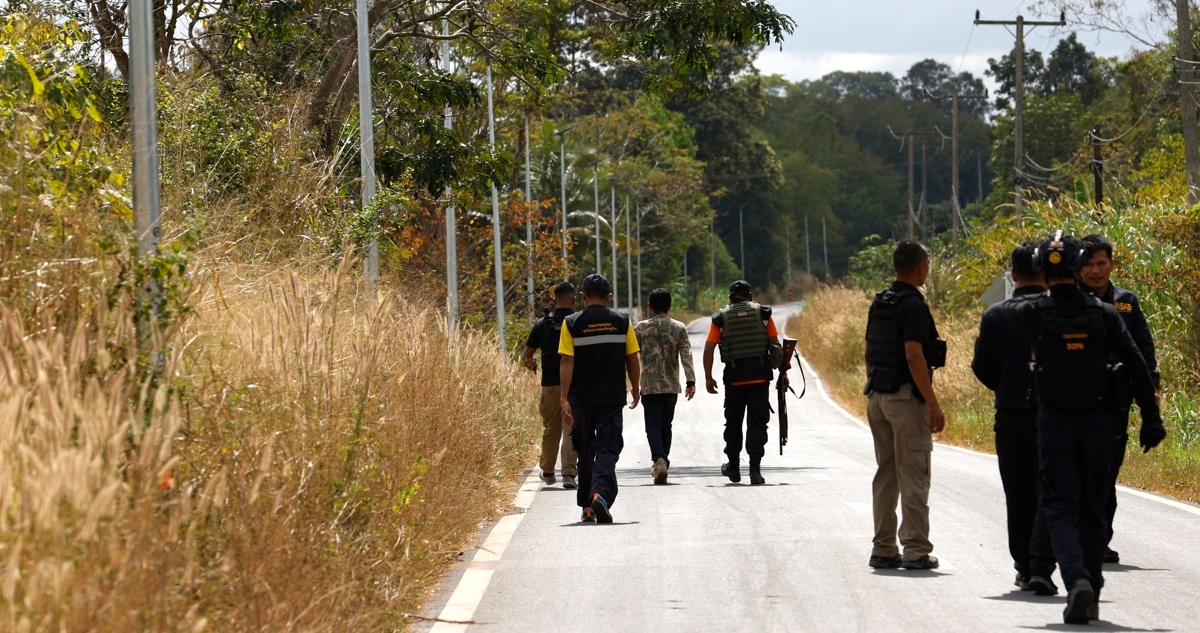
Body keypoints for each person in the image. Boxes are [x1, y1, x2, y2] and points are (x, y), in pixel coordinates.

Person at [1008, 230, 1164, 624]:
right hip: (1100, 421)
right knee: (1094, 504)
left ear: (1041, 272)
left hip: (1055, 421)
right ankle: (1090, 586)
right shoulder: (1107, 314)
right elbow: (1137, 363)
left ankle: (1076, 578)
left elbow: (1009, 313)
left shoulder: (1030, 314)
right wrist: (1151, 417)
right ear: (1079, 268)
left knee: (1059, 505)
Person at [971, 243, 1057, 594]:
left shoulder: (995, 315)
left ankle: (1024, 565)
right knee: (1051, 489)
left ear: (1014, 275)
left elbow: (981, 366)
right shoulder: (1057, 311)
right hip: (1053, 415)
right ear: (1045, 273)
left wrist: (1006, 384)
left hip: (1010, 416)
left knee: (1018, 492)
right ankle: (1043, 564)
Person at [863, 241, 946, 571]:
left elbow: (869, 350)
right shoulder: (913, 305)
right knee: (914, 474)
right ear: (921, 266)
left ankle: (883, 548)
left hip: (877, 396)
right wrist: (932, 402)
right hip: (905, 398)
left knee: (886, 474)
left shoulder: (881, 301)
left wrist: (874, 387)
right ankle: (915, 550)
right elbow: (914, 355)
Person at [1078, 234, 1160, 565]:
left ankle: (1099, 539)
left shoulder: (1125, 302)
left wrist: (1151, 388)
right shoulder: (1068, 300)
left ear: (1111, 264)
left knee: (1108, 472)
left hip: (1116, 402)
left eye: (1101, 263)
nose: (1095, 271)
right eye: (1088, 264)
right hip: (1077, 401)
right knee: (1078, 471)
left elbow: (1143, 347)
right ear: (1078, 267)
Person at [560, 273, 641, 524]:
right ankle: (600, 495)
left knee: (585, 452)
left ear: (583, 297)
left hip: (581, 400)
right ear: (608, 297)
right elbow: (632, 359)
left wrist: (564, 398)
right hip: (611, 398)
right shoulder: (622, 322)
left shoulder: (571, 323)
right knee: (607, 448)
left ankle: (587, 506)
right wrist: (636, 387)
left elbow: (567, 361)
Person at [703, 280, 780, 486]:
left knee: (733, 423)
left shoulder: (721, 317)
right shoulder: (763, 314)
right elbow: (776, 346)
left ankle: (734, 468)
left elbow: (709, 348)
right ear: (749, 295)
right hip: (760, 378)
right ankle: (755, 471)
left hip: (734, 379)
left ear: (731, 297)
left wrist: (708, 377)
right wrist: (783, 373)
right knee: (757, 423)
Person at [634, 288, 697, 484]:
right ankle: (663, 461)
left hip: (649, 386)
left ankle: (659, 460)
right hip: (670, 386)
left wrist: (631, 384)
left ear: (649, 307)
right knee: (666, 425)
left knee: (652, 425)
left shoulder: (640, 328)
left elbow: (631, 357)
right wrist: (690, 381)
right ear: (670, 306)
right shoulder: (679, 328)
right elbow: (686, 356)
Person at [523, 282, 580, 489]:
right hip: (574, 385)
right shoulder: (577, 322)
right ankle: (569, 474)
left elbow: (527, 355)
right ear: (574, 300)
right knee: (571, 428)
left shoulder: (542, 324)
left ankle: (547, 471)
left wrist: (534, 366)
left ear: (554, 301)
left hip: (550, 384)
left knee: (550, 429)